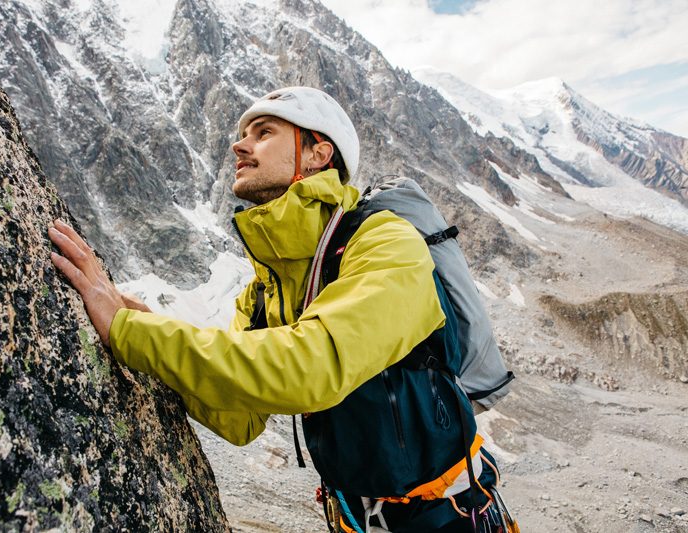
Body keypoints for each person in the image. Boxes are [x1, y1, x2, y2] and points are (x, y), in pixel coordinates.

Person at [49, 87, 497, 532]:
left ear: (319, 155)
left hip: (450, 516)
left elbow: (312, 366)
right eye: (244, 133)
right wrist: (148, 330)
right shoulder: (267, 289)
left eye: (263, 133)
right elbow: (239, 419)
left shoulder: (385, 243)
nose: (238, 145)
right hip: (358, 520)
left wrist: (129, 333)